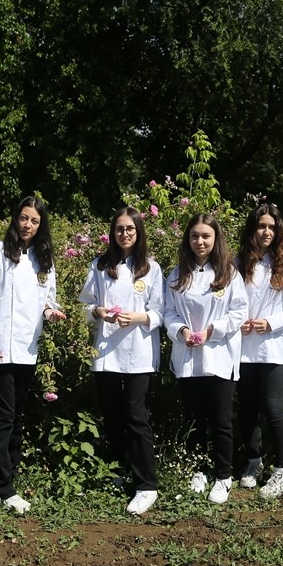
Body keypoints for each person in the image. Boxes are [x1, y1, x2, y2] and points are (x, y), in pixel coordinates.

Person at [0, 196, 66, 514]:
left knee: (15, 417)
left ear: (41, 226)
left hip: (28, 349)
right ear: (15, 219)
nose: (28, 225)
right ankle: (0, 488)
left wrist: (51, 311)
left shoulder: (44, 259)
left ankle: (7, 477)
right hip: (0, 348)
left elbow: (48, 298)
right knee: (2, 418)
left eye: (35, 221)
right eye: (24, 218)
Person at [78, 208, 164, 516]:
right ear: (112, 233)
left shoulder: (151, 268)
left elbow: (160, 312)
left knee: (136, 416)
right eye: (119, 229)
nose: (124, 234)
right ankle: (120, 468)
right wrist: (99, 312)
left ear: (139, 232)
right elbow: (85, 307)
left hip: (138, 351)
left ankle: (147, 485)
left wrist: (139, 317)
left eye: (130, 229)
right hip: (106, 352)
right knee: (112, 415)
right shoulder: (100, 266)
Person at [163, 213, 249, 504]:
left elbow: (239, 312)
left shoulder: (229, 273)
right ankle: (198, 470)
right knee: (194, 417)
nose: (200, 241)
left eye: (206, 236)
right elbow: (168, 312)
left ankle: (224, 476)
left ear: (216, 239)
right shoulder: (177, 274)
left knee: (221, 419)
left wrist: (214, 330)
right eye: (194, 236)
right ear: (187, 240)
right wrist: (182, 330)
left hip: (220, 355)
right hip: (189, 355)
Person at [235, 204, 283, 499]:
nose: (266, 232)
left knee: (273, 407)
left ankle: (282, 470)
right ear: (252, 230)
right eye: (261, 226)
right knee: (248, 408)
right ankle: (253, 463)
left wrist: (271, 322)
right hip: (244, 348)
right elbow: (227, 300)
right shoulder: (238, 263)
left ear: (278, 231)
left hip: (277, 347)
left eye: (271, 227)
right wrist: (236, 323)